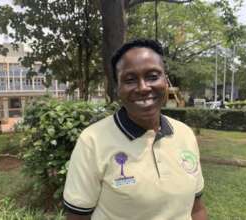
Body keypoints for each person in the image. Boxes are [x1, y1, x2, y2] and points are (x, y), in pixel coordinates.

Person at [63, 39, 207, 220]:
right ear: (117, 88)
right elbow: (78, 216)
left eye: (153, 76)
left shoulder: (185, 134)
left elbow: (196, 209)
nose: (143, 87)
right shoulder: (92, 141)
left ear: (165, 80)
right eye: (130, 80)